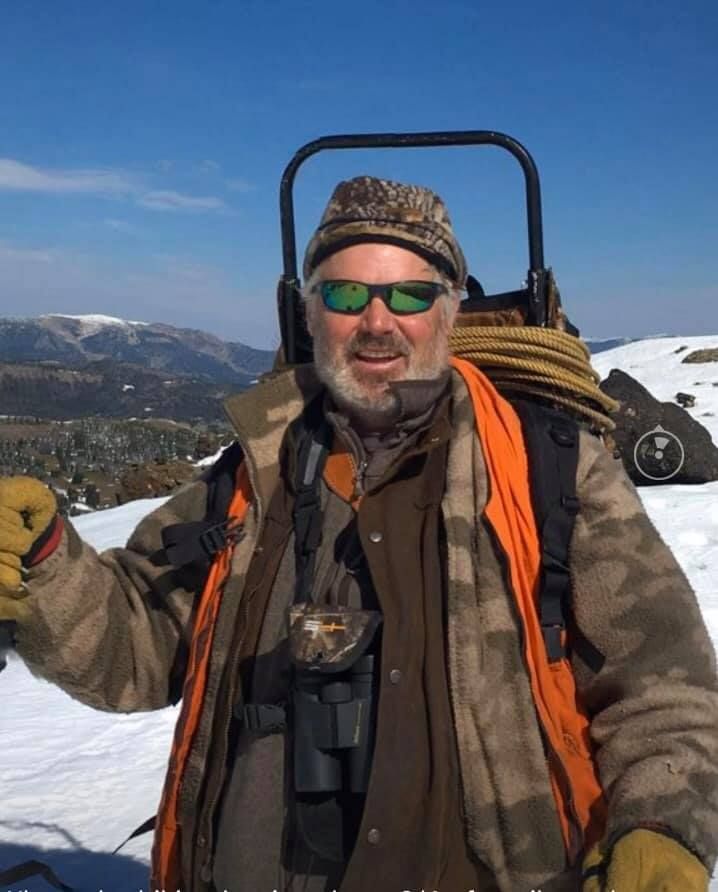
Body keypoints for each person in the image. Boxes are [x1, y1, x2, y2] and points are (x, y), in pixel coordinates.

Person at [1, 175, 717, 892]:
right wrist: (45, 565)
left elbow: (664, 681)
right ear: (309, 312)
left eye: (410, 293)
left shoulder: (548, 469)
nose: (378, 320)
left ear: (450, 308)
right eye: (346, 294)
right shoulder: (253, 471)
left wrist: (663, 829)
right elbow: (139, 649)